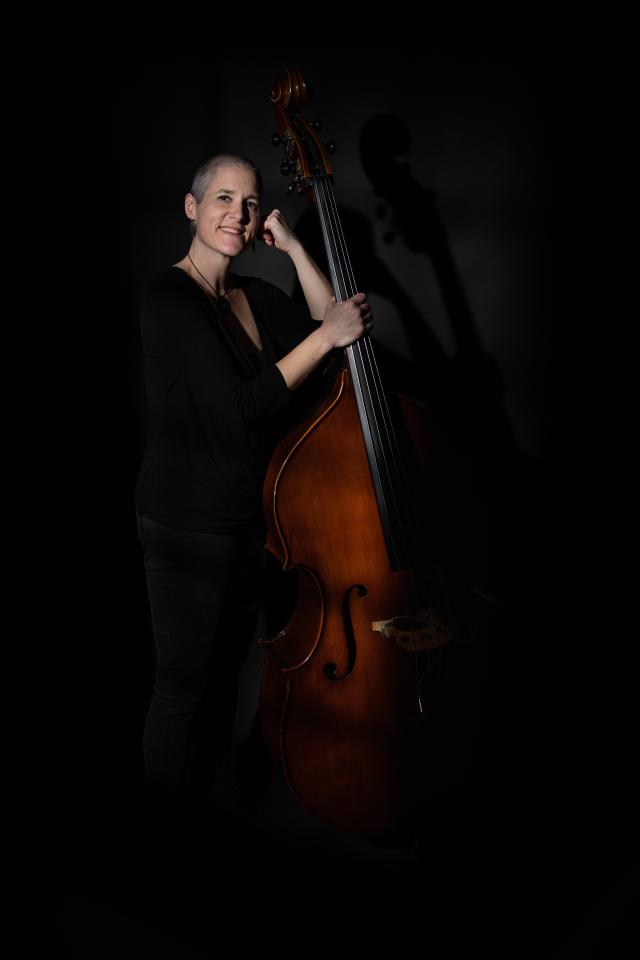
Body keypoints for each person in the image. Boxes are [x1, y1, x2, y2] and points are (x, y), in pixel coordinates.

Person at [134, 153, 372, 816]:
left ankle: (206, 810)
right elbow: (242, 404)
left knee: (226, 682)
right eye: (222, 200)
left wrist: (295, 247)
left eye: (249, 203)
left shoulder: (254, 298)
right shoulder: (168, 298)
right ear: (192, 207)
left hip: (249, 522)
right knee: (184, 690)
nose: (236, 214)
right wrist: (325, 339)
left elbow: (340, 334)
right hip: (185, 527)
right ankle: (163, 831)